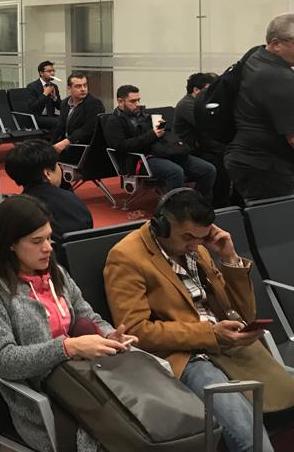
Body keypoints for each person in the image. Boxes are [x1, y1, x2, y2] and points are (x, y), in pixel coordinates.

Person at [106, 187, 294, 452]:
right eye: (187, 237)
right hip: (188, 356)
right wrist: (210, 334)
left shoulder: (200, 250)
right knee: (248, 433)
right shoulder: (126, 257)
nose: (194, 245)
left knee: (278, 400)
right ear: (161, 226)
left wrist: (228, 257)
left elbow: (245, 314)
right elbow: (136, 330)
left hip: (227, 345)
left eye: (201, 237)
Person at [0, 194, 135, 452]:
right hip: (40, 401)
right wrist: (68, 347)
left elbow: (88, 315)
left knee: (140, 420)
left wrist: (107, 335)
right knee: (116, 436)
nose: (48, 247)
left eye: (49, 238)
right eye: (37, 241)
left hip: (85, 380)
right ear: (10, 243)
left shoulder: (55, 273)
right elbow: (3, 360)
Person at [104, 84, 216, 201]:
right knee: (175, 171)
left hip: (161, 151)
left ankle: (200, 203)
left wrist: (161, 128)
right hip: (139, 159)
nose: (137, 104)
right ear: (120, 102)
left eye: (138, 100)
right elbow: (121, 146)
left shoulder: (144, 116)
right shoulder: (114, 121)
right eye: (132, 101)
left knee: (208, 169)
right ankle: (175, 207)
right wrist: (152, 134)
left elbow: (158, 135)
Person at [226, 13, 294, 202]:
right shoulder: (279, 76)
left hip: (247, 159)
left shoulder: (256, 56)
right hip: (266, 164)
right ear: (276, 44)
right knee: (279, 218)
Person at [4, 139, 92, 256]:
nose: (60, 168)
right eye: (57, 165)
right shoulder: (73, 199)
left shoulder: (16, 210)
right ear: (47, 173)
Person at [175, 72, 230, 207]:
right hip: (189, 150)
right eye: (209, 89)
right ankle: (213, 203)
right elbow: (209, 125)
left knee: (229, 153)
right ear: (196, 90)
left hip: (203, 146)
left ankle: (225, 200)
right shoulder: (186, 105)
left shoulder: (202, 103)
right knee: (220, 161)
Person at [51, 71, 105, 154]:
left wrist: (66, 142)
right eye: (78, 86)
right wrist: (51, 146)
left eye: (85, 85)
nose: (83, 89)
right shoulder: (65, 103)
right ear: (69, 88)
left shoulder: (95, 104)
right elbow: (60, 127)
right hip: (66, 146)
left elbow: (88, 129)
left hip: (84, 148)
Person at [26, 60, 61, 133]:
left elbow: (59, 107)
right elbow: (33, 107)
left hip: (50, 116)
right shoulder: (32, 86)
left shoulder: (54, 86)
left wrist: (55, 97)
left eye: (53, 71)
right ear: (41, 73)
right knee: (57, 122)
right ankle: (55, 140)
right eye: (49, 71)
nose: (52, 73)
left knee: (68, 120)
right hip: (38, 117)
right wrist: (45, 94)